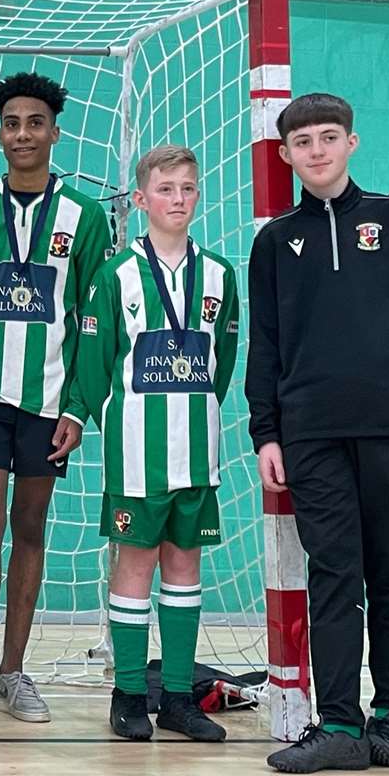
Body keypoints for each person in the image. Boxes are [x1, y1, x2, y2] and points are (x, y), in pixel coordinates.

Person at [247, 92, 389, 774]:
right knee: (333, 575)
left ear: (350, 143)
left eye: (327, 137)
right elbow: (266, 346)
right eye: (302, 141)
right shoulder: (274, 241)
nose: (316, 150)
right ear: (285, 155)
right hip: (310, 436)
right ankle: (337, 723)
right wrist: (266, 433)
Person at [0, 72, 111, 735]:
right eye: (11, 122)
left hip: (46, 404)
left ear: (53, 131)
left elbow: (91, 322)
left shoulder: (84, 218)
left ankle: (13, 670)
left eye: (34, 122)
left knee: (30, 530)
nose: (22, 134)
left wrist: (77, 408)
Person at [77, 145, 237, 743]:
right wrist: (122, 422)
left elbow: (220, 365)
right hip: (137, 455)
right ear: (141, 199)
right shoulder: (115, 275)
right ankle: (127, 694)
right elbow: (94, 369)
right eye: (166, 189)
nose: (178, 199)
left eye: (188, 189)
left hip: (198, 452)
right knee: (135, 565)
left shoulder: (220, 274)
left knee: (185, 568)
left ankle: (176, 696)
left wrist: (197, 410)